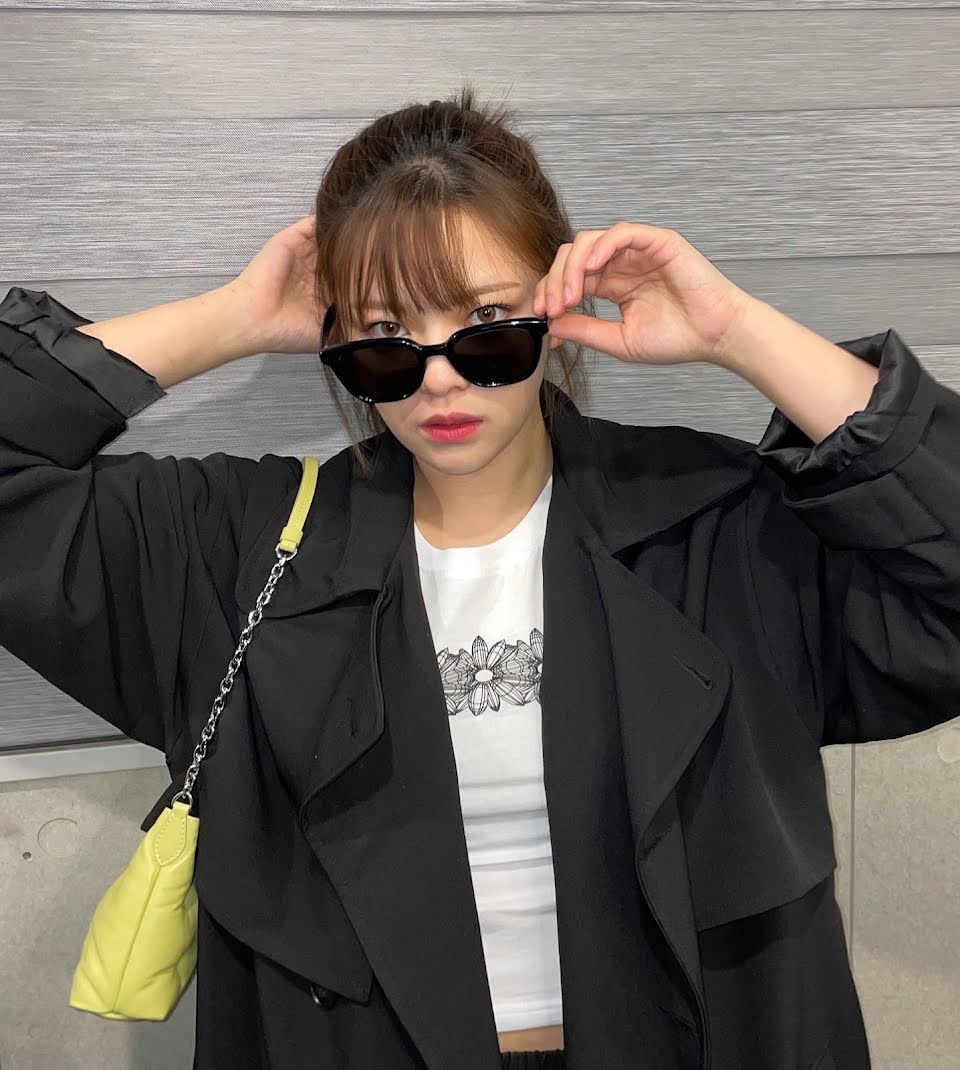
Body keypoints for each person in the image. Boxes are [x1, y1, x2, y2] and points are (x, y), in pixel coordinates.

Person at [1, 83, 959, 1070]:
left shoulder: (717, 527)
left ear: (555, 304)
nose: (440, 378)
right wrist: (234, 317)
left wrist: (738, 332)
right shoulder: (241, 555)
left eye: (489, 323)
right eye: (386, 341)